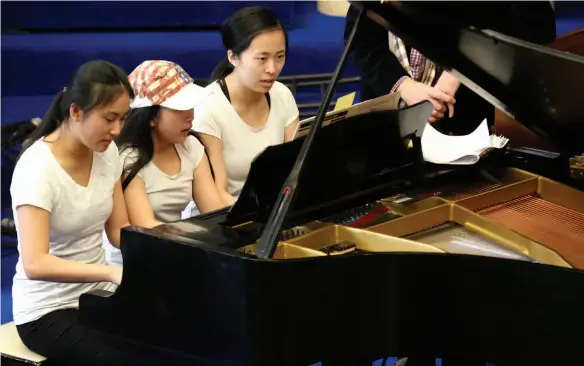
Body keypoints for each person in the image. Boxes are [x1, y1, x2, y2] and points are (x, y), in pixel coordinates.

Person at [9, 60, 200, 366]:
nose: (117, 130)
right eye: (109, 119)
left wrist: (173, 257)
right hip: (45, 310)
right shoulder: (36, 168)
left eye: (123, 119)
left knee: (186, 331)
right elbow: (35, 263)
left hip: (97, 292)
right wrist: (110, 272)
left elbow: (118, 231)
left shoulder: (109, 152)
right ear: (75, 112)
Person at [344, 2, 556, 136]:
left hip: (466, 121)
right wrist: (404, 87)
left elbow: (534, 30)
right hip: (388, 120)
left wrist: (459, 73)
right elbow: (362, 43)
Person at [103, 60, 227, 266]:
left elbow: (212, 210)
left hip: (175, 249)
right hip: (136, 262)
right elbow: (146, 226)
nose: (191, 117)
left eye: (191, 107)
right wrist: (197, 238)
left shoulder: (192, 146)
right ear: (151, 117)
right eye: (180, 109)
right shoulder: (128, 159)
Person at [192, 6, 300, 207]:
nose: (272, 69)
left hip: (275, 209)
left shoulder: (282, 95)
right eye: (262, 58)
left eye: (280, 56)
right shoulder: (208, 108)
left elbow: (295, 168)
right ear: (233, 57)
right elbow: (217, 195)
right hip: (225, 217)